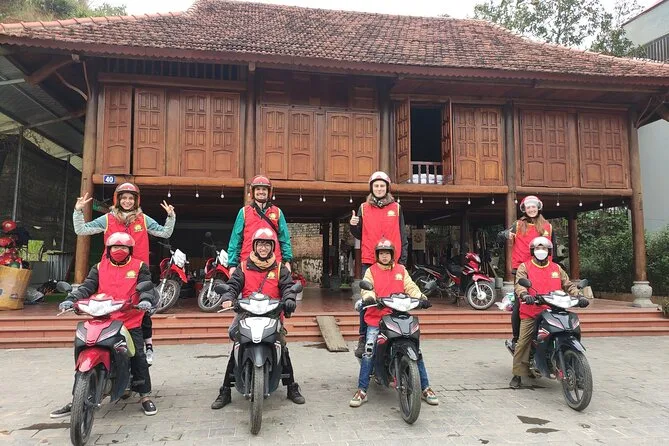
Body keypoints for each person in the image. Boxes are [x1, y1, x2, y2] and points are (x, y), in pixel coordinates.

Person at [50, 232, 157, 417]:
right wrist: (71, 299)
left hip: (130, 318)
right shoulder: (99, 267)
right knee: (84, 348)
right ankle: (77, 398)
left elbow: (145, 286)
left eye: (123, 247)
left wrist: (146, 300)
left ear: (130, 250)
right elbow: (87, 286)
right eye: (115, 246)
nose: (119, 250)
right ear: (108, 249)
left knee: (138, 355)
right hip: (103, 317)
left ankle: (144, 395)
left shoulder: (140, 266)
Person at [73, 182, 176, 365]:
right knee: (108, 308)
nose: (127, 201)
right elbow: (81, 230)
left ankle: (148, 346)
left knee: (141, 310)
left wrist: (171, 216)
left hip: (137, 273)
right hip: (111, 271)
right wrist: (78, 211)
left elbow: (165, 233)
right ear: (117, 199)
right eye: (124, 198)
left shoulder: (143, 219)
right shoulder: (107, 219)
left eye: (131, 198)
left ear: (136, 200)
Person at [211, 228, 305, 409]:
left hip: (272, 313)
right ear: (254, 246)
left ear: (272, 247)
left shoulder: (280, 268)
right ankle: (225, 390)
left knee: (282, 346)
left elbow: (288, 287)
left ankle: (292, 387)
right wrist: (228, 297)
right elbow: (233, 285)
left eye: (267, 245)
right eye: (260, 244)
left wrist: (290, 299)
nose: (263, 248)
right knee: (237, 344)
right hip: (246, 313)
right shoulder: (243, 267)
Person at [349, 238, 438, 407]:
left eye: (387, 253)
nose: (384, 256)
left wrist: (421, 297)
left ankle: (425, 388)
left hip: (398, 316)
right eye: (381, 253)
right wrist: (370, 298)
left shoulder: (401, 270)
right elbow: (367, 289)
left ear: (392, 254)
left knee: (416, 351)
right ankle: (362, 390)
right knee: (369, 352)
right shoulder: (371, 271)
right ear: (377, 255)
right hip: (376, 318)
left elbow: (410, 286)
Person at [509, 236, 588, 389]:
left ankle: (577, 371)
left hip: (554, 310)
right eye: (538, 248)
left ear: (549, 251)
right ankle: (517, 374)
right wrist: (525, 295)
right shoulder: (525, 267)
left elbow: (568, 285)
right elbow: (520, 285)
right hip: (532, 311)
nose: (541, 251)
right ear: (533, 250)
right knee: (523, 342)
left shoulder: (556, 268)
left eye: (544, 248)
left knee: (571, 332)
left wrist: (579, 296)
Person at [349, 171, 408, 358]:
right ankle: (363, 337)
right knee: (368, 301)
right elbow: (359, 233)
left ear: (387, 188)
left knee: (396, 298)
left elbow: (402, 234)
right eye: (376, 186)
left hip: (393, 261)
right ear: (371, 188)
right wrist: (353, 225)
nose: (379, 188)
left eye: (382, 186)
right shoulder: (363, 207)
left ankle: (396, 334)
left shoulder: (396, 208)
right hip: (370, 260)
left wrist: (403, 261)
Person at [497, 195, 555, 354]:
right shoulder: (518, 225)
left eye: (533, 206)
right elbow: (500, 238)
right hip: (522, 270)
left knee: (548, 301)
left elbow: (553, 249)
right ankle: (516, 339)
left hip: (543, 269)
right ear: (524, 209)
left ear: (538, 207)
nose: (531, 209)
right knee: (520, 304)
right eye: (528, 207)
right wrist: (505, 235)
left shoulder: (548, 226)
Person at [227, 175, 293, 275]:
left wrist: (287, 261)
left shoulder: (277, 212)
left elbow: (284, 239)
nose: (261, 192)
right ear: (253, 191)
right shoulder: (244, 212)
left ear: (269, 192)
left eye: (264, 189)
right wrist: (232, 265)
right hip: (248, 263)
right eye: (258, 189)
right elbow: (235, 240)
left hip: (273, 263)